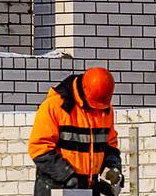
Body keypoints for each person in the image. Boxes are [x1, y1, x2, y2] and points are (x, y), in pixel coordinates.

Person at [28, 67, 125, 195]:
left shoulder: (105, 110)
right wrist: (67, 176)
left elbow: (110, 147)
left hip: (88, 188)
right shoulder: (55, 107)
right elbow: (39, 148)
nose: (97, 108)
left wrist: (112, 170)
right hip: (55, 188)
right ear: (85, 90)